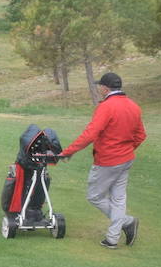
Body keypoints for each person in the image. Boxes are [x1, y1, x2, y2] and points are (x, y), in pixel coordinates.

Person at [59, 72, 146, 248]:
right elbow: (141, 135)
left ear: (105, 88)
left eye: (100, 86)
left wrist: (69, 151)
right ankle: (112, 239)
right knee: (119, 199)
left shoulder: (106, 107)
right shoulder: (134, 106)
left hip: (108, 160)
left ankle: (127, 222)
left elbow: (91, 133)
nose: (99, 88)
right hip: (126, 159)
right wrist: (126, 149)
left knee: (94, 196)